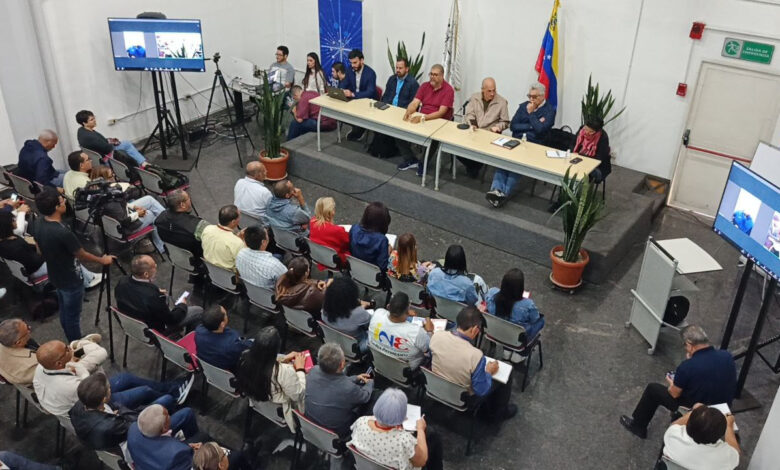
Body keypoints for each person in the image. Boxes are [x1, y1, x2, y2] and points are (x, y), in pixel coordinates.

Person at [620, 325, 737, 439]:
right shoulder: (726, 356)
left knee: (653, 389)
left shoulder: (688, 366)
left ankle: (638, 426)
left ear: (689, 345)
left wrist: (672, 382)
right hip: (723, 408)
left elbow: (674, 393)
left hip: (698, 411)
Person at [33, 339, 193, 418]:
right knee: (145, 391)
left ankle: (170, 388)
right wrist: (81, 365)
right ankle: (173, 399)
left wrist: (76, 357)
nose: (70, 348)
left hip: (80, 398)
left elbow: (78, 361)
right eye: (66, 349)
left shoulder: (42, 368)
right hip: (95, 408)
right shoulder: (71, 386)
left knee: (125, 378)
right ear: (59, 363)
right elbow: (94, 388)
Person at [33, 187, 114, 341]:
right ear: (57, 207)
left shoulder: (37, 223)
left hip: (55, 274)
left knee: (65, 310)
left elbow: (39, 250)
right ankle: (77, 345)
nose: (64, 202)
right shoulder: (63, 232)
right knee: (72, 316)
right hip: (71, 279)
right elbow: (81, 255)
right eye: (62, 201)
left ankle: (71, 337)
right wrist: (102, 260)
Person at [63, 150, 167, 253]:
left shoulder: (68, 175)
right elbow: (123, 219)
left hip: (98, 218)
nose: (91, 160)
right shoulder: (95, 190)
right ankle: (163, 240)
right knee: (151, 213)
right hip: (122, 226)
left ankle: (165, 233)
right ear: (81, 165)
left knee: (148, 200)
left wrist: (132, 207)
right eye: (88, 159)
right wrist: (137, 214)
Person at [430, 307, 517, 421]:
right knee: (507, 373)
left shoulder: (437, 336)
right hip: (463, 398)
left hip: (436, 387)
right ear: (475, 329)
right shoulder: (476, 356)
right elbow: (481, 390)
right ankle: (499, 413)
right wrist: (488, 372)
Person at [69, 372, 178, 451]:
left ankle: (170, 391)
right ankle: (176, 402)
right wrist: (119, 414)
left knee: (143, 390)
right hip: (132, 437)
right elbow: (137, 425)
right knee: (166, 400)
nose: (111, 388)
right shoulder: (110, 426)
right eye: (109, 388)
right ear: (104, 399)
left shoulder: (80, 404)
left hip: (114, 421)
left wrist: (112, 414)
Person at [486, 82, 556, 207]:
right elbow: (513, 126)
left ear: (542, 96)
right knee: (504, 161)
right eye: (529, 96)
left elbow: (541, 130)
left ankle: (502, 194)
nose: (531, 99)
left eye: (534, 97)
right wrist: (532, 126)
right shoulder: (523, 106)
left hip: (535, 145)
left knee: (516, 165)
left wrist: (531, 114)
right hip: (516, 141)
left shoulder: (549, 111)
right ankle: (496, 190)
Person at [0, 211, 100, 288]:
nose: (15, 221)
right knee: (66, 258)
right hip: (35, 270)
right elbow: (34, 262)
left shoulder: (6, 242)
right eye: (13, 220)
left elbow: (29, 253)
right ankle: (88, 281)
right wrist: (42, 248)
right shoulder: (15, 246)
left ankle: (89, 276)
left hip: (29, 268)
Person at [349, 388, 443, 470]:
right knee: (434, 438)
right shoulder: (404, 440)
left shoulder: (361, 421)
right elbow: (421, 462)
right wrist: (421, 430)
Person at [236, 327, 307, 431]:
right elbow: (298, 395)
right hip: (281, 408)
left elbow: (263, 362)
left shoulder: (244, 358)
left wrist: (283, 358)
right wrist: (300, 369)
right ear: (275, 350)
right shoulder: (283, 372)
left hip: (258, 400)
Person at [115, 255, 204, 335]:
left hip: (133, 325)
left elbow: (136, 295)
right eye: (154, 266)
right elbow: (172, 320)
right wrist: (182, 305)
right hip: (155, 330)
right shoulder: (152, 296)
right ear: (146, 274)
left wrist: (156, 291)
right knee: (198, 311)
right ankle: (186, 338)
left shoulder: (122, 282)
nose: (156, 267)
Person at [305, 343, 373, 437]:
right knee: (372, 399)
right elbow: (365, 396)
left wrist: (355, 378)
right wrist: (370, 382)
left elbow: (334, 383)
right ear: (342, 364)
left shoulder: (313, 371)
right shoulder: (348, 388)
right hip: (338, 432)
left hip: (310, 426)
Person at [397, 64, 455, 175]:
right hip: (422, 117)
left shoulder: (448, 90)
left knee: (433, 138)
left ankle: (423, 163)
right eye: (431, 74)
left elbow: (441, 112)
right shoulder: (424, 86)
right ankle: (411, 159)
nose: (432, 77)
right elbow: (415, 102)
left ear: (442, 76)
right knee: (399, 130)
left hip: (439, 121)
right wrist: (409, 111)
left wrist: (422, 117)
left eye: (435, 75)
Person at [368, 57, 421, 159]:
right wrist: (382, 106)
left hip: (401, 113)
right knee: (376, 121)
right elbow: (385, 96)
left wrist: (400, 111)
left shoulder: (413, 83)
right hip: (387, 110)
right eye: (396, 68)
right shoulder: (392, 79)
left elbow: (414, 104)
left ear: (407, 69)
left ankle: (387, 150)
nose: (398, 70)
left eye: (400, 68)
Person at [662, 404, 740, 470]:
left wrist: (693, 412)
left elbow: (674, 425)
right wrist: (729, 426)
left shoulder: (673, 435)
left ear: (688, 424)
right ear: (721, 434)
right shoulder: (727, 457)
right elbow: (736, 452)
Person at [127, 404, 204, 470]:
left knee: (187, 413)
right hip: (167, 458)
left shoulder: (133, 429)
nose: (170, 415)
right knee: (203, 437)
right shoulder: (177, 454)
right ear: (165, 428)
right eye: (168, 415)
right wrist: (193, 451)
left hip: (144, 460)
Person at [460, 78, 510, 177]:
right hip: (474, 131)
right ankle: (473, 167)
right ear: (482, 89)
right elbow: (469, 114)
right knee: (458, 149)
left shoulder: (502, 102)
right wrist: (472, 124)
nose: (492, 93)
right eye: (489, 91)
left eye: (494, 90)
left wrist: (497, 127)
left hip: (489, 134)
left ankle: (474, 167)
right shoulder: (475, 97)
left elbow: (505, 122)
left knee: (479, 153)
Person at [368, 292, 433, 370]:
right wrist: (429, 331)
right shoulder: (416, 332)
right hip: (407, 370)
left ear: (388, 306)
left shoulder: (377, 314)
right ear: (407, 311)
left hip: (380, 363)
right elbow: (428, 348)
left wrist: (405, 313)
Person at [485, 268, 545, 340]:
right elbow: (535, 319)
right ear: (520, 288)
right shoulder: (528, 305)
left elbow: (486, 302)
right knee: (541, 321)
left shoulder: (492, 293)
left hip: (494, 331)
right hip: (515, 340)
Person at [155, 189, 211, 261]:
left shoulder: (159, 220)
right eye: (188, 198)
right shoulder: (197, 226)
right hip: (201, 260)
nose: (190, 199)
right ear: (182, 205)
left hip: (180, 260)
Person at [76, 110, 147, 165]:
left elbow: (100, 142)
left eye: (94, 118)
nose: (95, 120)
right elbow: (107, 149)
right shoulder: (90, 137)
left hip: (102, 153)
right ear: (84, 123)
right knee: (127, 144)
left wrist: (110, 140)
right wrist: (113, 142)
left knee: (125, 144)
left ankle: (141, 162)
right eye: (91, 120)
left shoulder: (81, 130)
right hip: (107, 156)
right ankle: (143, 163)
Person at [194, 306, 252, 372]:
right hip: (224, 368)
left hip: (204, 364)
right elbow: (249, 345)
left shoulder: (199, 330)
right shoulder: (233, 344)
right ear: (222, 324)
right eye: (226, 314)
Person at [321, 277, 372, 351]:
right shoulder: (359, 313)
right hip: (356, 346)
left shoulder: (324, 309)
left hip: (332, 340)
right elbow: (370, 324)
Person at [235, 225, 287, 289]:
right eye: (267, 235)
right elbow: (287, 282)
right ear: (263, 242)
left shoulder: (240, 253)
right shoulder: (274, 265)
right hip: (269, 293)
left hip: (249, 290)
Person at [343, 49, 377, 141]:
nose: (352, 65)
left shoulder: (370, 73)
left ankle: (360, 129)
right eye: (351, 63)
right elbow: (344, 83)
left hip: (366, 102)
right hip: (353, 100)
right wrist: (342, 90)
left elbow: (370, 92)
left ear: (362, 60)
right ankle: (357, 128)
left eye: (355, 62)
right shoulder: (349, 70)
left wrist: (353, 94)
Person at [308, 196, 350, 269]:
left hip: (318, 255)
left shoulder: (312, 222)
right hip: (335, 260)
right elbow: (347, 244)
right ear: (330, 212)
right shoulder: (338, 230)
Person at [349, 201, 392, 272]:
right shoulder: (382, 240)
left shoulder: (354, 228)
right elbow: (383, 266)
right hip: (372, 275)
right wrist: (388, 252)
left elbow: (350, 248)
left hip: (354, 269)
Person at [201, 205, 245, 271]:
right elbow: (242, 264)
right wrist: (243, 243)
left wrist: (237, 238)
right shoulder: (237, 243)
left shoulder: (207, 229)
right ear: (233, 222)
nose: (240, 218)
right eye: (239, 217)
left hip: (209, 269)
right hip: (229, 274)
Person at [572, 116, 611, 184]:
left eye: (591, 132)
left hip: (597, 167)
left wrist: (580, 157)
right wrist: (573, 153)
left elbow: (598, 159)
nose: (587, 132)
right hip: (578, 160)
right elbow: (573, 144)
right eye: (586, 129)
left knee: (582, 173)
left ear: (597, 131)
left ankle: (578, 189)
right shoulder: (582, 130)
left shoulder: (603, 138)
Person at [0, 319, 39, 385]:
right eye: (27, 329)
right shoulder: (32, 365)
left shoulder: (3, 340)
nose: (30, 327)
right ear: (19, 343)